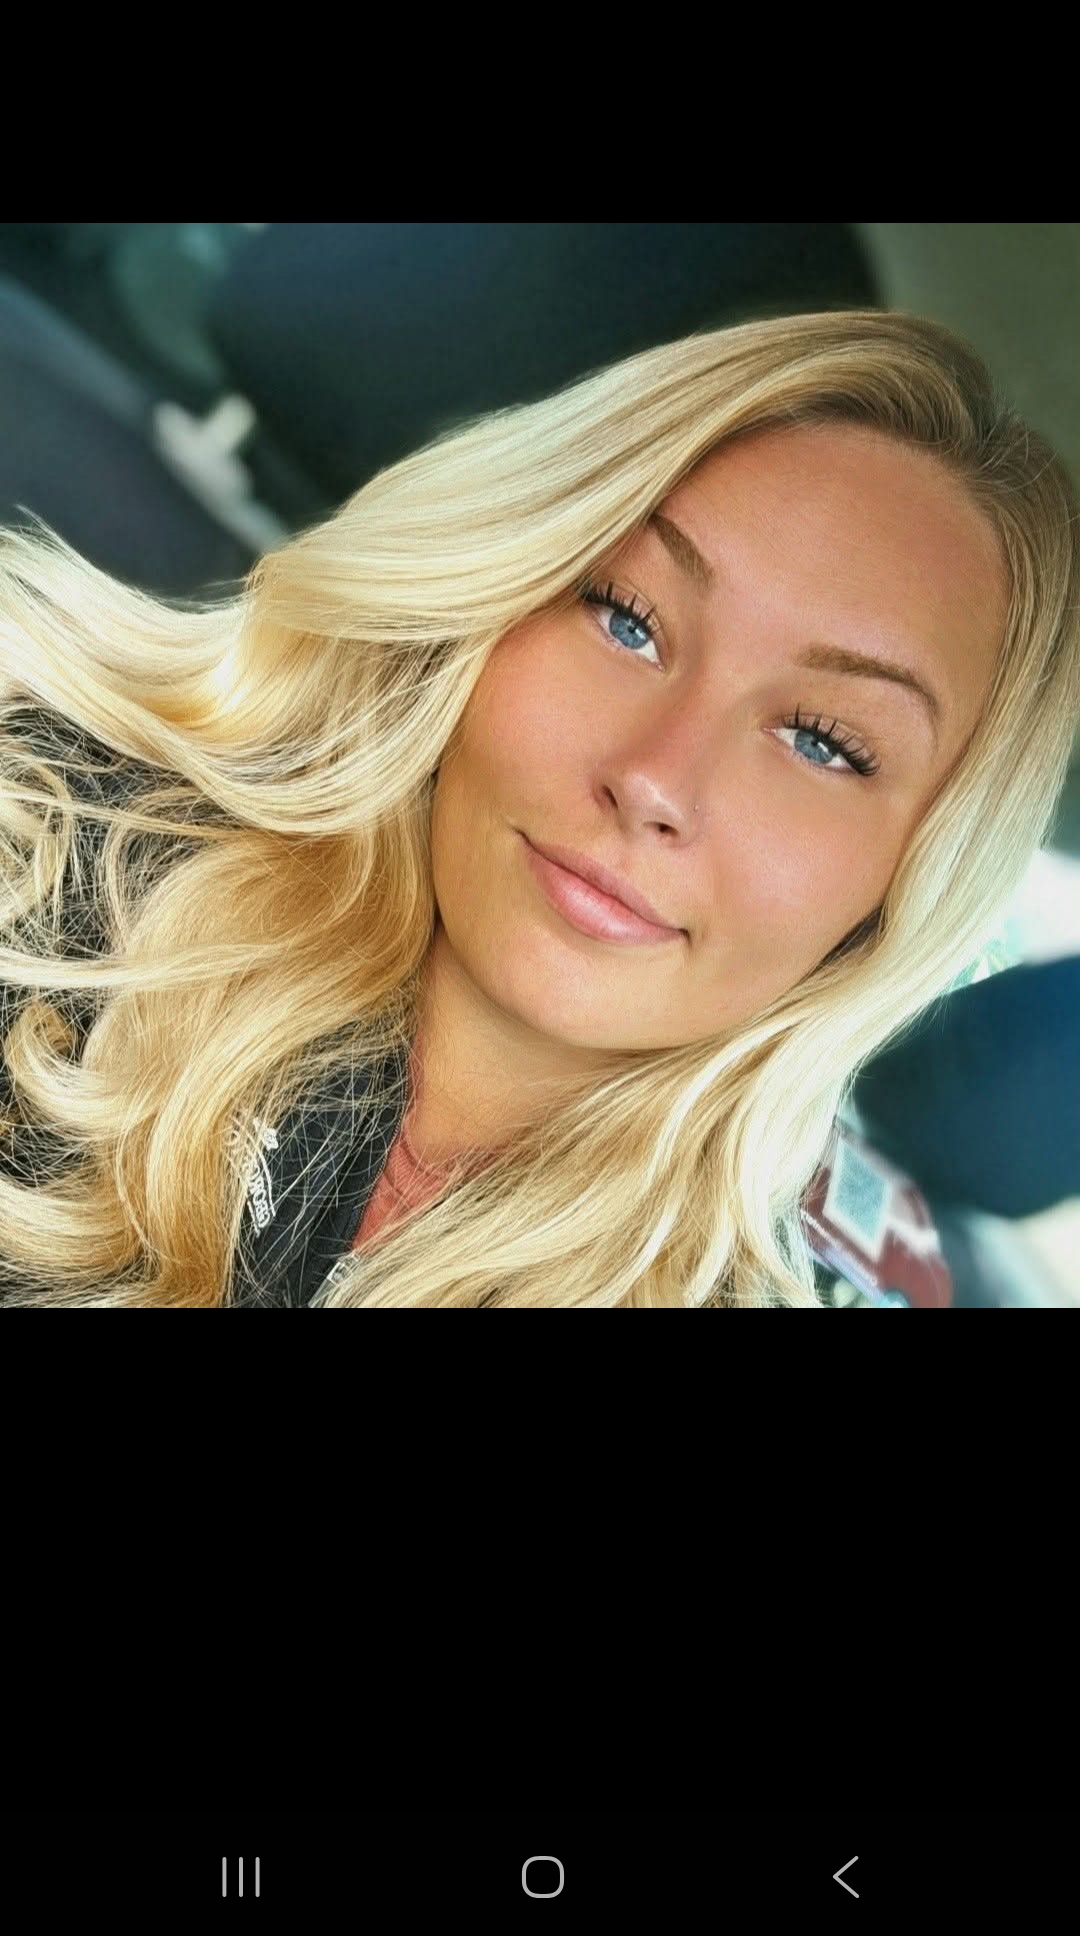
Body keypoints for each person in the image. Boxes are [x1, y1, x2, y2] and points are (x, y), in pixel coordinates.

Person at [0, 306, 1077, 1308]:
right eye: (627, 620)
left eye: (821, 744)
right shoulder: (47, 838)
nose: (655, 779)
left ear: (917, 873)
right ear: (503, 585)